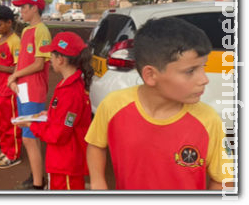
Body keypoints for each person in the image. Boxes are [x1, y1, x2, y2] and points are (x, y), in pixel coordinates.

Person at [86, 18, 231, 190]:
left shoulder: (208, 120)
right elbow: (95, 144)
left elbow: (224, 180)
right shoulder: (113, 105)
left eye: (203, 67)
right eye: (191, 71)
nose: (204, 79)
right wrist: (98, 183)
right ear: (151, 75)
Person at [15, 31, 92, 191]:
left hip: (66, 163)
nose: (49, 59)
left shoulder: (71, 92)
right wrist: (48, 115)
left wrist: (31, 124)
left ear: (61, 59)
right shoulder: (67, 84)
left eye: (51, 55)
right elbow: (64, 117)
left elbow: (59, 134)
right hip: (61, 160)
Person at [7, 0, 52, 190]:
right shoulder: (26, 31)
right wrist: (13, 77)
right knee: (27, 134)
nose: (21, 10)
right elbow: (23, 61)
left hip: (33, 89)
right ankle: (37, 176)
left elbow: (38, 64)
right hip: (23, 89)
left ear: (34, 8)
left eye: (24, 7)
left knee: (29, 136)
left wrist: (16, 75)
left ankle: (38, 184)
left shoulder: (42, 30)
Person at [0, 6, 22, 169]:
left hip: (9, 90)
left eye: (0, 25)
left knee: (11, 124)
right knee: (2, 123)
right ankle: (6, 150)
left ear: (9, 22)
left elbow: (18, 68)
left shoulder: (15, 41)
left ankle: (13, 155)